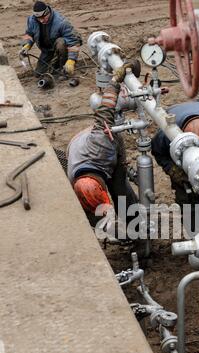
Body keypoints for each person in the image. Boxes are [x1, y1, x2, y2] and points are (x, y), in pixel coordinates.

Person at [67, 64, 138, 229]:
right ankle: (118, 230)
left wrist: (114, 82)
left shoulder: (101, 144)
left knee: (120, 188)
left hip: (105, 144)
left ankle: (135, 226)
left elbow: (105, 111)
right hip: (76, 147)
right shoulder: (76, 186)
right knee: (95, 216)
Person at [19, 1, 82, 77]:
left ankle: (64, 65)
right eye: (38, 18)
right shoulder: (32, 20)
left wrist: (71, 60)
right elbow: (29, 34)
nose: (41, 21)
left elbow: (73, 42)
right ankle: (55, 63)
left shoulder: (61, 22)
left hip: (61, 47)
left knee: (61, 42)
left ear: (48, 12)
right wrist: (27, 45)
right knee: (39, 74)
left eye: (43, 18)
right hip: (47, 50)